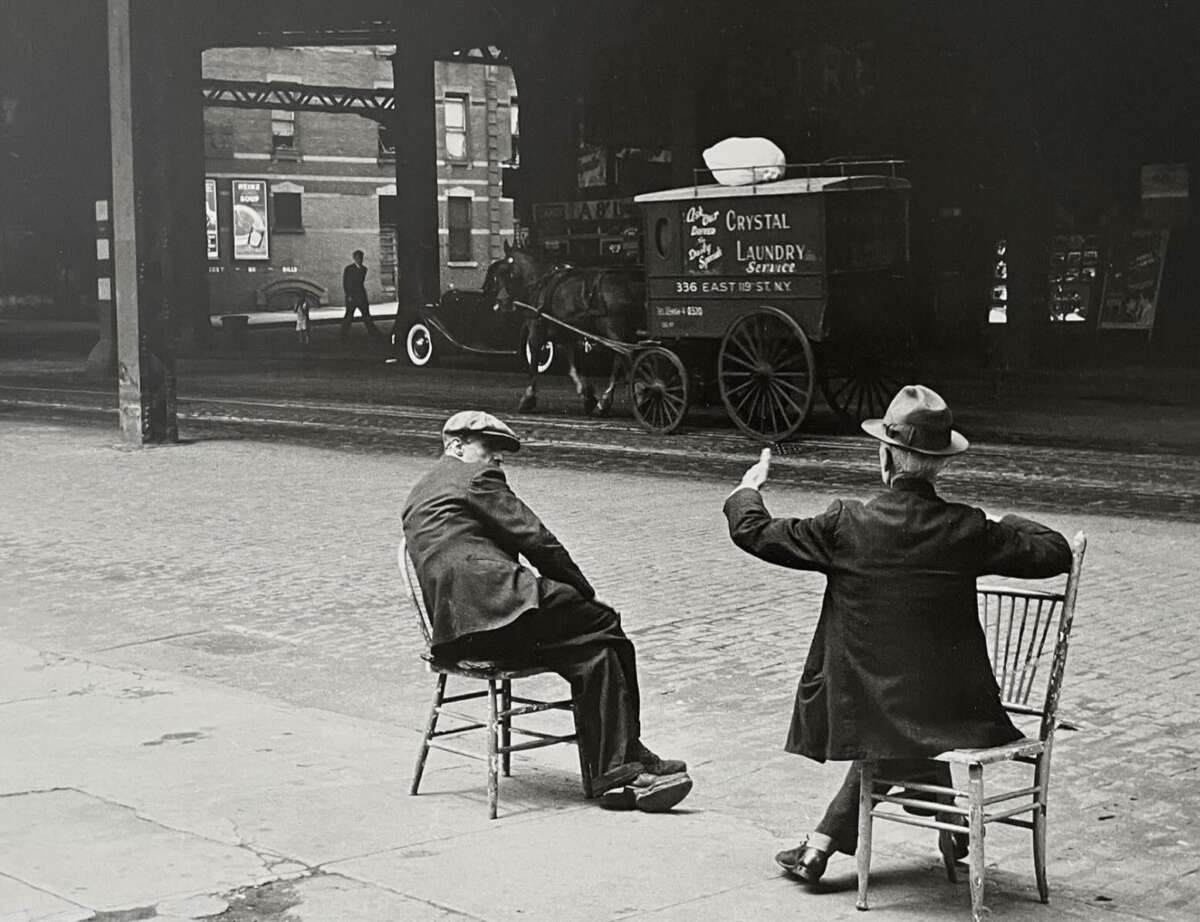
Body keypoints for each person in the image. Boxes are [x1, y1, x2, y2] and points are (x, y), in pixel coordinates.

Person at [722, 385, 1071, 885]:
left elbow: (754, 531)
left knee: (895, 721)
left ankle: (832, 840)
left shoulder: (847, 523)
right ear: (941, 465)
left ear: (885, 458)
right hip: (954, 712)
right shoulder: (967, 528)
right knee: (911, 717)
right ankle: (930, 821)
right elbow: (1056, 550)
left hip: (868, 706)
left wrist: (746, 489)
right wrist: (994, 519)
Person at [402, 410, 693, 812]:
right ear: (456, 445)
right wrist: (584, 594)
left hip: (456, 635)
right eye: (489, 449)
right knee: (604, 622)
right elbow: (538, 540)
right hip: (498, 610)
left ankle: (619, 772)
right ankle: (625, 755)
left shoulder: (420, 490)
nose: (497, 459)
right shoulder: (474, 478)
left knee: (595, 654)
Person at [341, 249, 383, 343]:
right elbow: (346, 283)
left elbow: (359, 283)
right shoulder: (349, 269)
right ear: (354, 258)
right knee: (349, 316)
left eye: (361, 258)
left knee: (366, 316)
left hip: (361, 296)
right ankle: (343, 335)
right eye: (358, 258)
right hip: (352, 297)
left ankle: (374, 334)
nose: (360, 259)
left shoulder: (364, 269)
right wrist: (348, 295)